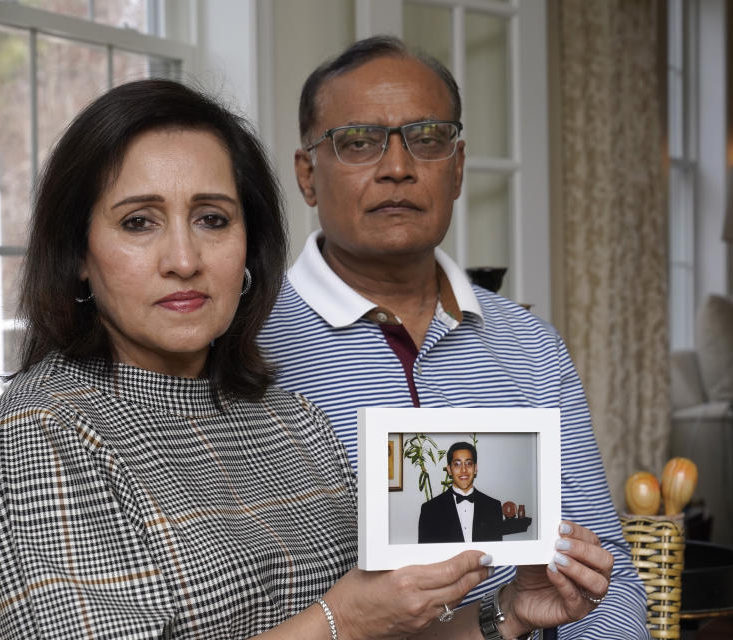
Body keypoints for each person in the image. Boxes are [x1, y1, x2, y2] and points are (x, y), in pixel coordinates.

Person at [0, 79, 495, 639]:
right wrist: (340, 621)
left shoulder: (293, 420)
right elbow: (354, 621)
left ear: (249, 247)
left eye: (212, 219)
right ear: (78, 254)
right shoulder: (45, 431)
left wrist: (506, 616)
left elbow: (386, 626)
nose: (184, 259)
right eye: (139, 222)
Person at [257, 36, 651, 639]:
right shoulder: (248, 347)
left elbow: (608, 577)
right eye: (358, 142)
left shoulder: (532, 346)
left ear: (459, 167)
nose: (397, 167)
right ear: (308, 175)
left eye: (428, 138)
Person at [418, 442, 504, 544]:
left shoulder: (493, 507)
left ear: (475, 469)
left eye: (468, 463)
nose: (464, 470)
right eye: (457, 464)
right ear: (449, 470)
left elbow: (495, 553)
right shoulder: (430, 510)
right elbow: (427, 555)